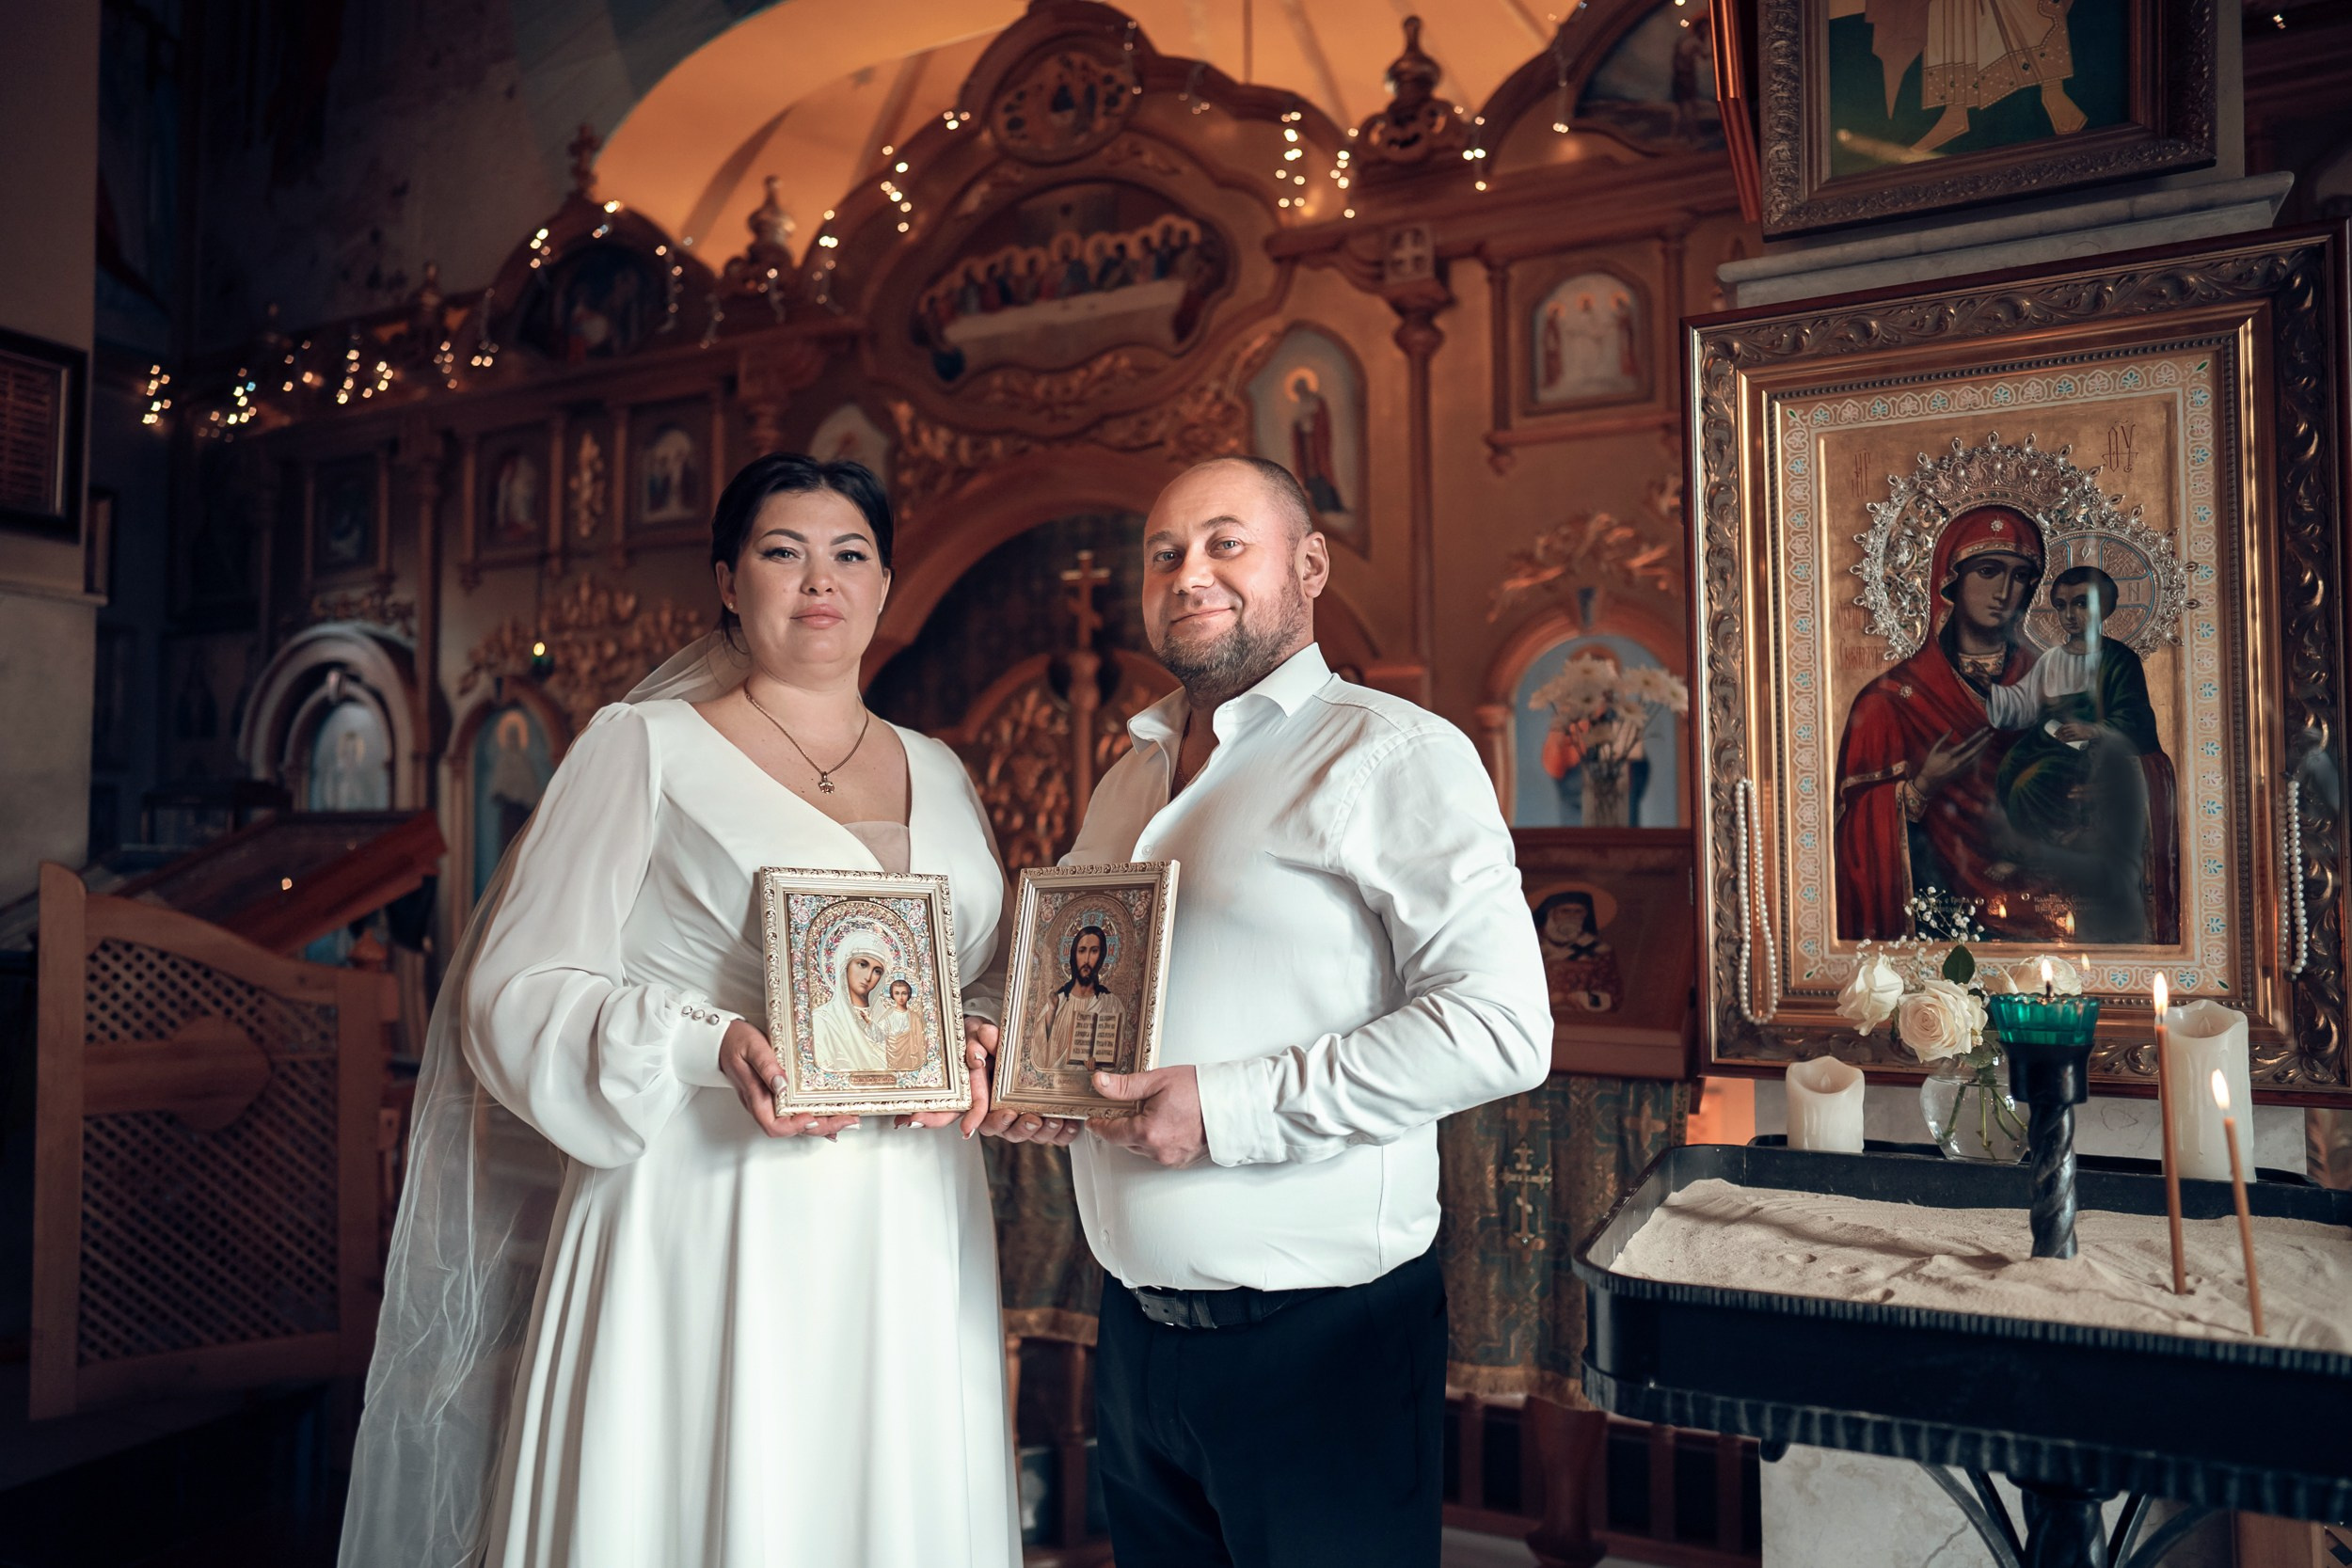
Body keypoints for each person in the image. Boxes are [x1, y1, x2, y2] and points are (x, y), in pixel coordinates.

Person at [341, 453, 1024, 1568]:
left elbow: (975, 970)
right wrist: (712, 1044)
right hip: (708, 1203)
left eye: (850, 554)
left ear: (886, 587)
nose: (820, 581)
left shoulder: (940, 770)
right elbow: (514, 991)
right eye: (781, 552)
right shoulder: (641, 746)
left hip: (911, 1204)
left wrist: (987, 1033)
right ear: (725, 579)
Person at [1003, 455, 1550, 1567]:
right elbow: (1094, 1001)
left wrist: (1230, 1108)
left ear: (1308, 566)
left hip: (1319, 1344)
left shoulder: (1391, 751)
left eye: (1223, 542)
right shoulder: (1128, 777)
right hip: (1136, 1337)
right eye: (1163, 554)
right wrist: (1040, 1079)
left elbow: (1501, 1023)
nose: (1187, 572)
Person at [1042, 925, 1125, 1069]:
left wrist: (1098, 1066)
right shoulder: (1058, 1001)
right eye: (1082, 951)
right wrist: (1051, 1012)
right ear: (1074, 955)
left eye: (1094, 951)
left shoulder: (1112, 1004)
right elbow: (1038, 1053)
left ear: (1102, 956)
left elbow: (1120, 1058)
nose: (1086, 959)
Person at [811, 932, 893, 1072]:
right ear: (845, 965)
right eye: (862, 964)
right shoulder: (824, 1020)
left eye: (877, 971)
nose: (868, 977)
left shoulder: (889, 1017)